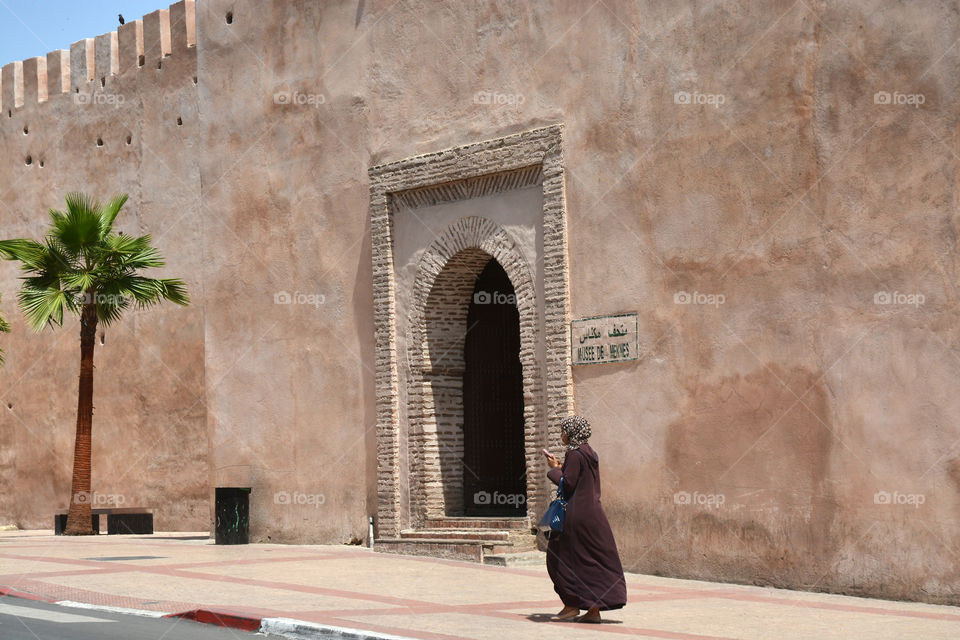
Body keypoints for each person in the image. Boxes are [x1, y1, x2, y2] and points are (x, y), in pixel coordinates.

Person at [544, 415, 626, 623]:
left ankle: (573, 606)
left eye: (563, 431)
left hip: (575, 516)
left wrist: (554, 469)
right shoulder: (590, 453)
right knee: (588, 561)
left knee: (559, 558)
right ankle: (590, 609)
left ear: (571, 433)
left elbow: (569, 484)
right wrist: (563, 469)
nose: (561, 434)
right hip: (593, 514)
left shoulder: (574, 454)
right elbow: (578, 480)